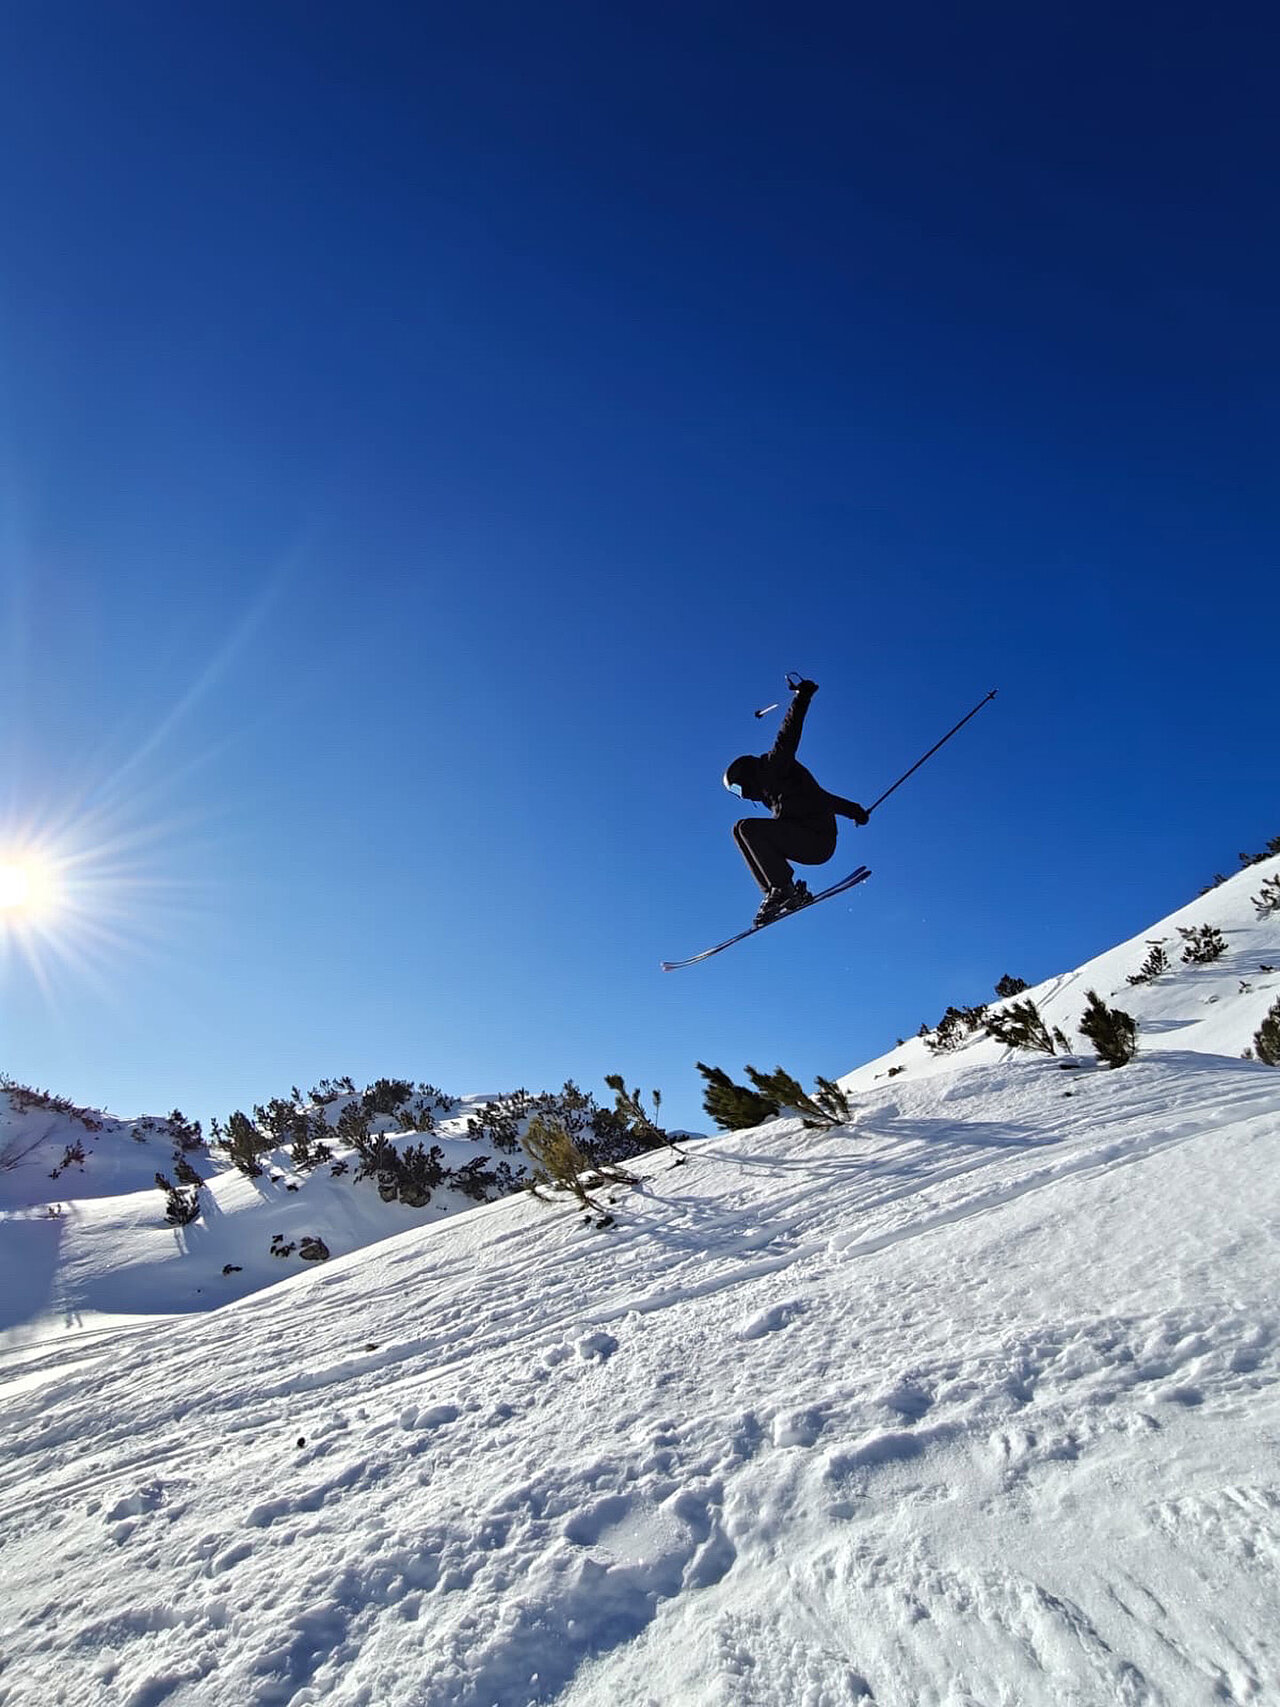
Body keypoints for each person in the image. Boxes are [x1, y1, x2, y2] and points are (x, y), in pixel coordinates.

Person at [723, 679, 869, 927]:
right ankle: (778, 892)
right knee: (738, 829)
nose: (743, 796)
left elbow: (788, 735)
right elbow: (821, 799)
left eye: (738, 789)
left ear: (745, 776)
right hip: (806, 836)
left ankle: (783, 889)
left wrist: (802, 697)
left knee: (747, 827)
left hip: (817, 840)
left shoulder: (774, 765)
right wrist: (855, 811)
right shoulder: (772, 794)